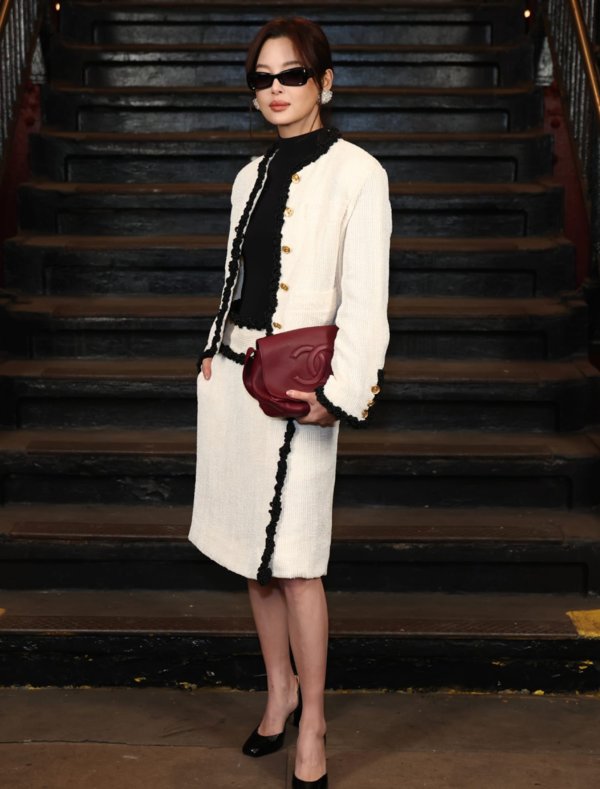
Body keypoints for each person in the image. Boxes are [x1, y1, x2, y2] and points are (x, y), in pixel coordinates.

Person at [188, 16, 391, 788]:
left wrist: (340, 395)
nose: (275, 90)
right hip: (236, 380)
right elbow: (235, 277)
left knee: (299, 563)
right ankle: (278, 692)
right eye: (262, 79)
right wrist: (211, 349)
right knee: (255, 559)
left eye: (292, 75)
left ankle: (315, 723)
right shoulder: (249, 175)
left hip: (302, 388)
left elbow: (366, 302)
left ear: (325, 83)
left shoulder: (359, 175)